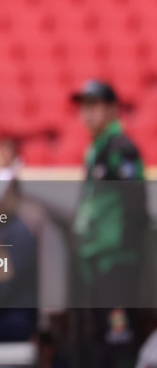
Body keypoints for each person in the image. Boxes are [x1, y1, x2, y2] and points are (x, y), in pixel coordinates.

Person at [69, 79, 149, 368]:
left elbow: (136, 203)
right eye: (83, 107)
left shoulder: (121, 148)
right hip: (96, 257)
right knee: (98, 335)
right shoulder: (97, 149)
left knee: (119, 334)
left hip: (116, 258)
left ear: (112, 109)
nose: (87, 114)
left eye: (94, 106)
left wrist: (126, 249)